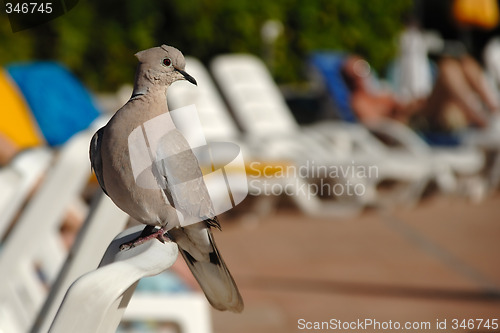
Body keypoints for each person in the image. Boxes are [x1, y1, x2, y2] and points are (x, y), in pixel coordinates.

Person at [340, 54, 499, 134]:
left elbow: (398, 104)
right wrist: (406, 111)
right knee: (446, 70)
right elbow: (382, 130)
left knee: (465, 62)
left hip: (421, 112)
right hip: (414, 126)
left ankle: (494, 110)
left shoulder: (377, 91)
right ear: (350, 79)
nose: (363, 74)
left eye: (364, 67)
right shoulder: (359, 101)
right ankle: (484, 122)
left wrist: (411, 104)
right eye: (357, 72)